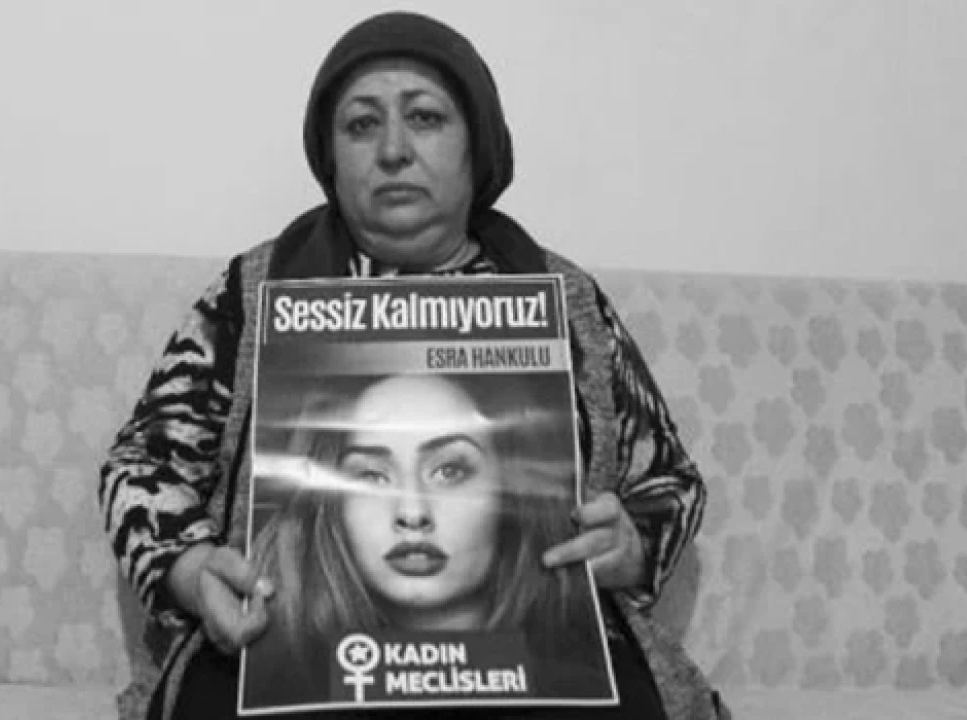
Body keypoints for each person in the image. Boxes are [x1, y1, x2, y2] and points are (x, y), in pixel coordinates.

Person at [99, 10, 725, 720]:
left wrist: (632, 545)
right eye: (362, 125)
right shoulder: (254, 292)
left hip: (531, 655)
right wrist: (191, 570)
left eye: (425, 118)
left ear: (477, 145)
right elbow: (142, 464)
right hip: (283, 647)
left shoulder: (562, 299)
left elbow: (668, 481)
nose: (393, 150)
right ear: (330, 158)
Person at [241, 373, 613, 709]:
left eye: (450, 471)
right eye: (371, 476)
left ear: (510, 494)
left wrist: (633, 559)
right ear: (329, 509)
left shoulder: (591, 687)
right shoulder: (274, 690)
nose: (412, 513)